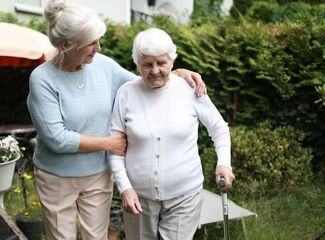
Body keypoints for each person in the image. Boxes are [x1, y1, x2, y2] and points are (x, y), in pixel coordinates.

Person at [26, 0, 206, 239]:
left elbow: (141, 83)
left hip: (98, 174)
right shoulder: (42, 79)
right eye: (91, 42)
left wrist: (176, 74)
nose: (98, 47)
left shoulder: (103, 66)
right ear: (67, 44)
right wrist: (108, 144)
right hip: (57, 177)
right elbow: (56, 139)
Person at [108, 27, 235, 240]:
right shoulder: (126, 94)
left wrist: (224, 162)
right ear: (137, 65)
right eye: (147, 64)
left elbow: (219, 128)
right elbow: (115, 147)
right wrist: (125, 188)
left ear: (172, 62)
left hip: (185, 195)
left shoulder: (190, 89)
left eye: (161, 63)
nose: (155, 70)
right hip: (138, 196)